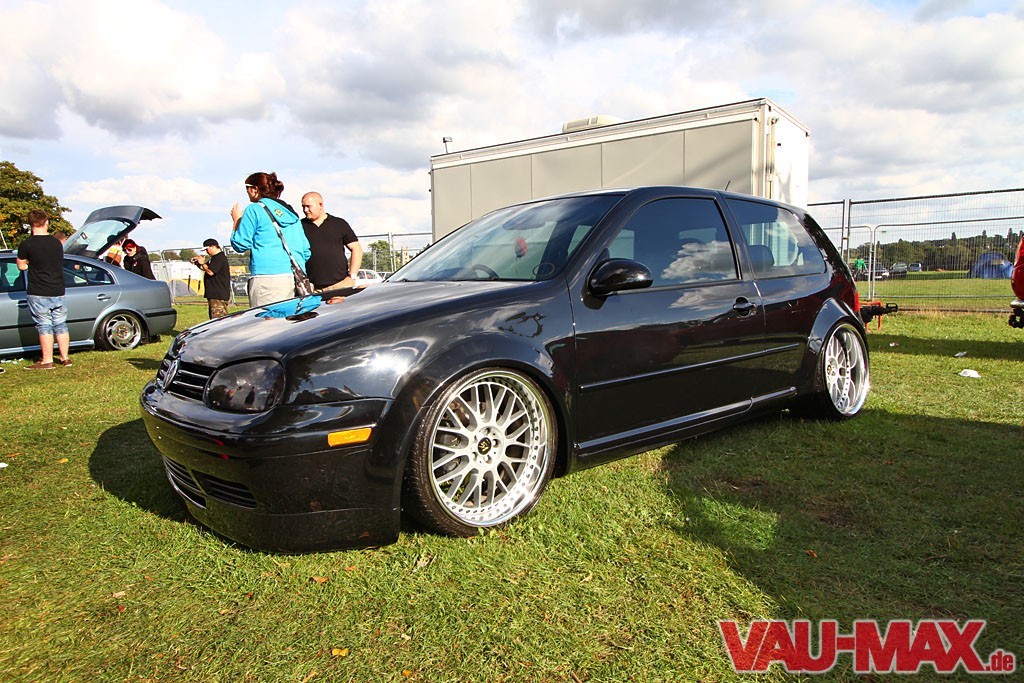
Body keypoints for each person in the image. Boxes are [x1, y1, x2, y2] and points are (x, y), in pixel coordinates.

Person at [229, 171, 310, 308]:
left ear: (255, 189)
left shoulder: (254, 209)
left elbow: (240, 244)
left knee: (266, 320)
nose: (247, 192)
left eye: (247, 188)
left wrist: (237, 221)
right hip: (295, 278)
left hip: (266, 278)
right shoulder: (291, 213)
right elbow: (306, 251)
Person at [16, 210, 72, 369]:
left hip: (38, 291)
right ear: (46, 222)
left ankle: (47, 360)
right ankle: (65, 358)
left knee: (44, 325)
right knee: (61, 324)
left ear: (30, 224)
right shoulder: (56, 243)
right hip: (58, 289)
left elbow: (21, 266)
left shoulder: (26, 244)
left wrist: (30, 263)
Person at [300, 191, 363, 291]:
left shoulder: (339, 224)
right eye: (303, 206)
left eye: (308, 206)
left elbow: (356, 249)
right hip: (313, 289)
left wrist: (352, 276)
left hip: (341, 285)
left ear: (320, 205)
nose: (305, 210)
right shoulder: (299, 227)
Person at [193, 238, 231, 318]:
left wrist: (202, 263)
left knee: (218, 319)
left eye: (207, 249)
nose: (206, 252)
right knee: (215, 318)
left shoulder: (219, 258)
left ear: (213, 246)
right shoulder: (214, 258)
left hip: (218, 294)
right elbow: (204, 268)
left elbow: (210, 272)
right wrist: (197, 263)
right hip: (214, 294)